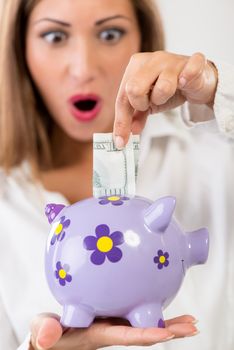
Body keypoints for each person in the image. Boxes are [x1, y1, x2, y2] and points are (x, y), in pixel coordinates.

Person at [0, 0, 233, 349]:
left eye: (110, 34)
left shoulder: (214, 150)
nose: (82, 68)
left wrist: (218, 90)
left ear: (142, 39)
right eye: (54, 36)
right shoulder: (7, 200)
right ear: (20, 48)